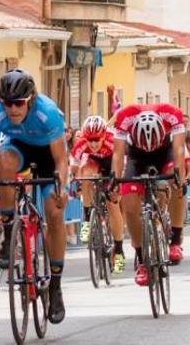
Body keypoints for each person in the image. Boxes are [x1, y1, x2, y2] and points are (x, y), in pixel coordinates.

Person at [0, 69, 68, 323]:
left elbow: (61, 160)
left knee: (54, 213)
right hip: (18, 149)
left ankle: (56, 285)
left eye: (18, 103)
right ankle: (9, 234)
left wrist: (61, 190)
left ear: (29, 100)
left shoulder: (47, 112)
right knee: (3, 162)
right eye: (7, 103)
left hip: (49, 156)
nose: (12, 110)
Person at [111, 103, 187, 286]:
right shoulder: (125, 117)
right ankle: (142, 260)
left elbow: (178, 150)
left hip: (165, 153)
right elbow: (118, 154)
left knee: (176, 185)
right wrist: (114, 180)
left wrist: (179, 177)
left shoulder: (172, 114)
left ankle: (175, 239)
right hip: (136, 157)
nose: (149, 148)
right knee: (129, 205)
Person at [70, 115, 125, 274]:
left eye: (96, 140)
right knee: (86, 175)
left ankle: (119, 250)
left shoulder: (113, 139)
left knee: (113, 206)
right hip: (93, 162)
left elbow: (122, 163)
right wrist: (75, 182)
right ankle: (87, 219)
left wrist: (117, 184)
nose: (93, 143)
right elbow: (74, 169)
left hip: (113, 162)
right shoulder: (81, 143)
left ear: (103, 136)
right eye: (90, 140)